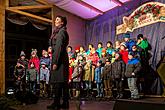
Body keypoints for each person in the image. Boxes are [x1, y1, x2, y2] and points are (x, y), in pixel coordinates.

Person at [47, 15, 69, 110]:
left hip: (60, 59)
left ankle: (56, 103)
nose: (55, 21)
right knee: (62, 82)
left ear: (62, 22)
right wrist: (51, 47)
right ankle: (64, 103)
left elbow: (59, 47)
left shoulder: (61, 32)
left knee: (58, 82)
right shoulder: (58, 32)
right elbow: (56, 45)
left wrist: (55, 62)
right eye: (55, 19)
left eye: (57, 19)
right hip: (60, 57)